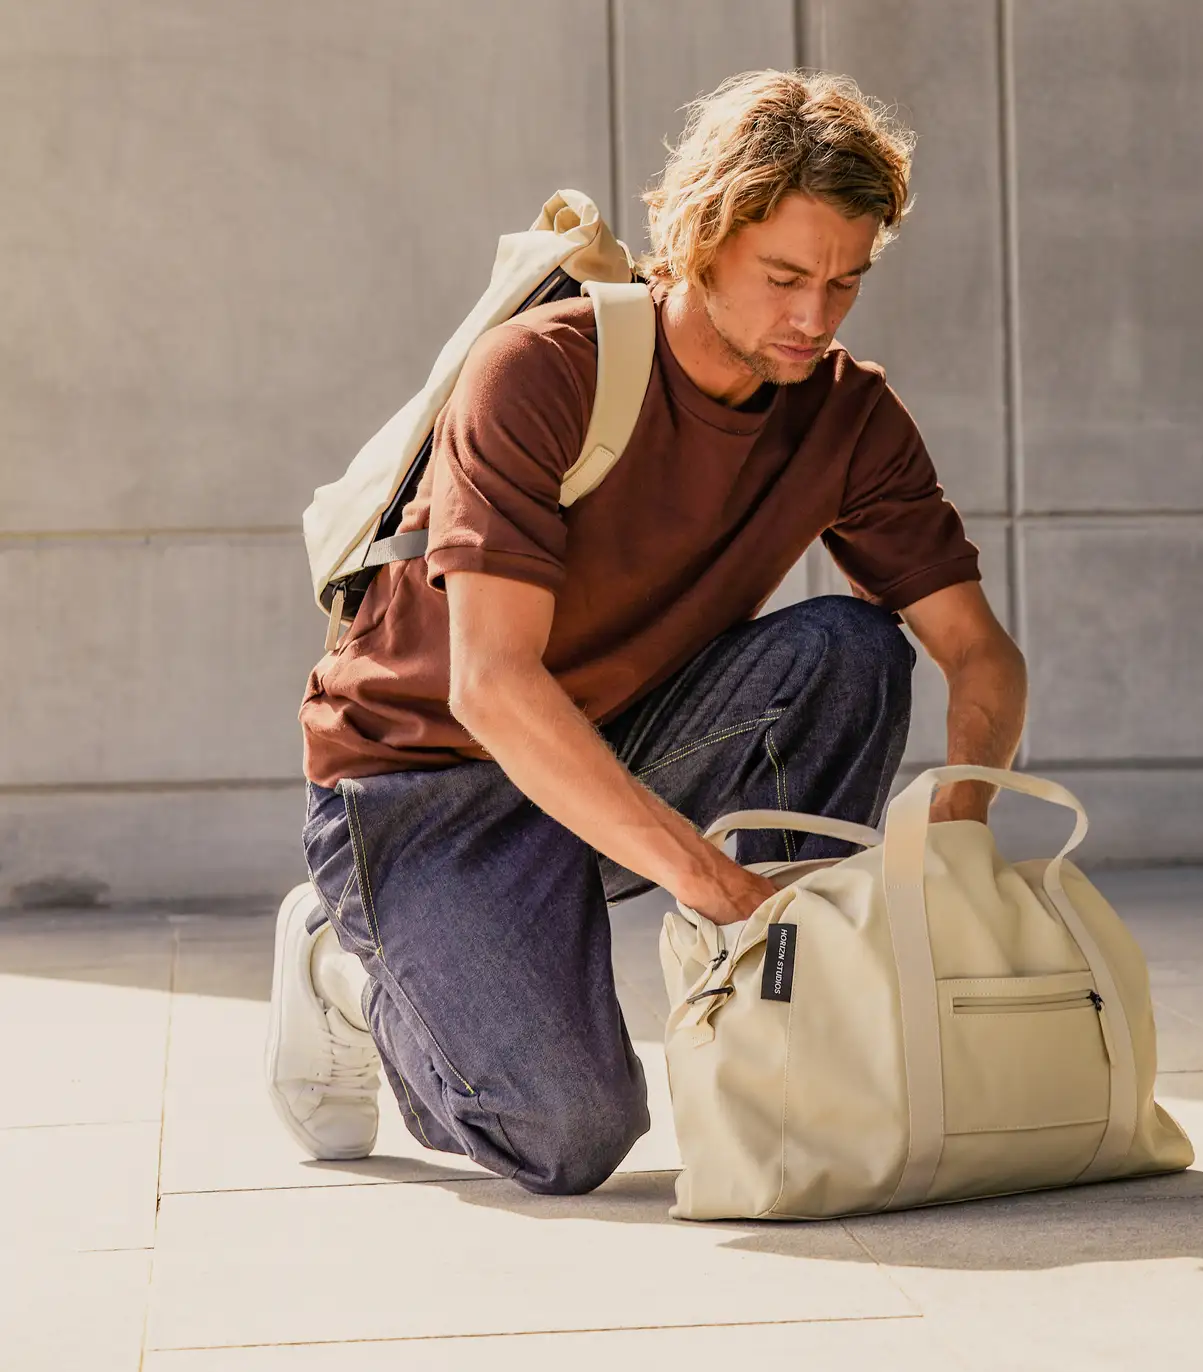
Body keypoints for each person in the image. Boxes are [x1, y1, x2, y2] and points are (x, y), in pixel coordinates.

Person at [266, 69, 1028, 1195]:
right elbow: (492, 687)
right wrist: (718, 884)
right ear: (703, 235)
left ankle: (776, 1023)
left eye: (844, 283)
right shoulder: (541, 374)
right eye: (783, 277)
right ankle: (341, 963)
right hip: (419, 790)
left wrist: (959, 829)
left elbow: (978, 651)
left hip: (617, 748)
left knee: (850, 649)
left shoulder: (847, 414)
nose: (814, 317)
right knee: (567, 1135)